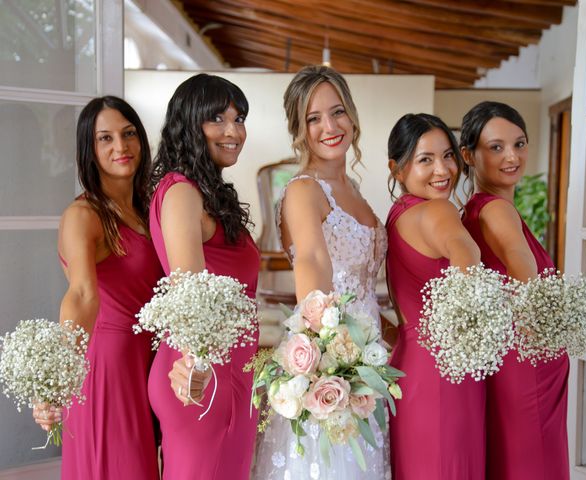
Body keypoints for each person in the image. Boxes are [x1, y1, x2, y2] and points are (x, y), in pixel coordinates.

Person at [252, 65, 389, 479]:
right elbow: (311, 265)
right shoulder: (303, 190)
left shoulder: (354, 190)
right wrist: (331, 366)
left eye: (338, 112)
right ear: (299, 128)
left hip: (370, 364)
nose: (330, 126)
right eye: (314, 118)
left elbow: (363, 288)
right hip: (331, 365)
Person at [32, 96, 162, 479]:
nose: (120, 147)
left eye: (128, 134)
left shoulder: (148, 206)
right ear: (88, 149)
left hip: (148, 362)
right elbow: (82, 295)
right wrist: (56, 377)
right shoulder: (84, 215)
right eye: (105, 138)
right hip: (108, 367)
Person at [147, 73, 259, 480]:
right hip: (202, 375)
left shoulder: (206, 190)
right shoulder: (180, 192)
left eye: (239, 118)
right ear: (190, 123)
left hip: (229, 371)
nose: (234, 131)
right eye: (218, 119)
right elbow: (189, 296)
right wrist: (195, 369)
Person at [460, 101, 569, 480]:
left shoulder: (473, 210)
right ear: (468, 156)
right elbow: (521, 263)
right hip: (526, 368)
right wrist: (546, 318)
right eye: (496, 147)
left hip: (507, 365)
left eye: (519, 144)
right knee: (533, 464)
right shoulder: (497, 210)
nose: (512, 156)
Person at [385, 113, 485, 479]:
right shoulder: (439, 209)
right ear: (397, 169)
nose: (443, 169)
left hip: (410, 368)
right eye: (425, 159)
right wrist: (465, 329)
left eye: (447, 156)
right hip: (447, 368)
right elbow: (467, 253)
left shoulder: (397, 215)